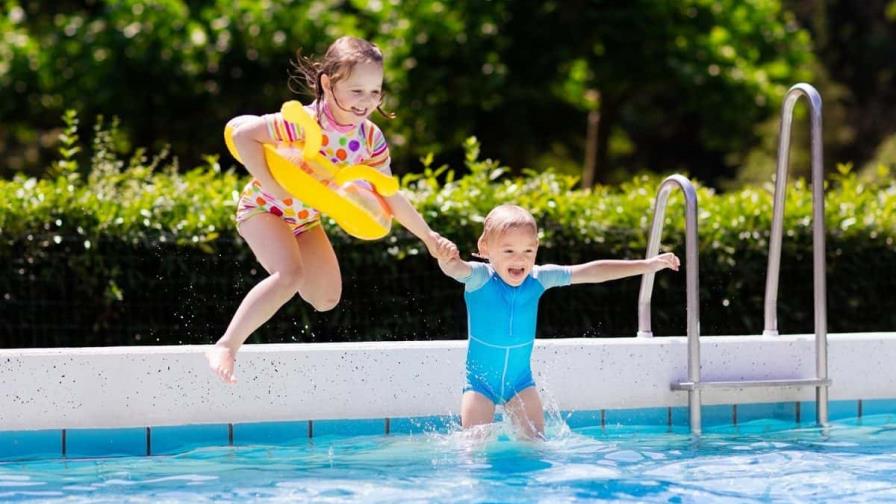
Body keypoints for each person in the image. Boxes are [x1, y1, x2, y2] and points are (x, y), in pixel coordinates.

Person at [207, 36, 455, 383]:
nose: (366, 102)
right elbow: (243, 134)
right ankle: (227, 345)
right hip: (264, 209)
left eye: (375, 92)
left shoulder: (370, 139)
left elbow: (390, 196)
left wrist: (429, 238)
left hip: (305, 220)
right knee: (289, 275)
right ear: (328, 83)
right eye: (357, 91)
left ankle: (278, 294)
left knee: (325, 299)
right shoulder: (301, 123)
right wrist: (273, 182)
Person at [435, 204, 679, 439]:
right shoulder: (479, 278)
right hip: (480, 386)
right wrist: (446, 259)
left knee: (537, 447)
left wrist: (648, 265)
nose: (519, 259)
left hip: (520, 384)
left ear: (537, 248)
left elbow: (592, 272)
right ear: (485, 247)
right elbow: (456, 269)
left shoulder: (539, 278)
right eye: (509, 251)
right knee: (472, 451)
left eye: (528, 251)